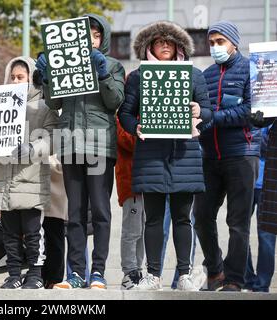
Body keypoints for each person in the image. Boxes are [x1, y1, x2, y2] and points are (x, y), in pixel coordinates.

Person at [117, 20, 212, 291]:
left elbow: (208, 113)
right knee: (154, 218)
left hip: (185, 155)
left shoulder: (194, 75)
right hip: (150, 156)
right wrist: (135, 127)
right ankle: (153, 275)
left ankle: (184, 274)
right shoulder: (137, 77)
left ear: (179, 45)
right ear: (149, 46)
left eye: (169, 42)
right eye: (159, 42)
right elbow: (125, 112)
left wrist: (198, 113)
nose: (165, 46)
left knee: (183, 217)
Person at [37, 13, 125, 289]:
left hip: (99, 145)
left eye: (96, 35)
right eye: (85, 34)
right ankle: (75, 273)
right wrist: (48, 77)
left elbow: (115, 101)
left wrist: (102, 74)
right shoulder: (66, 63)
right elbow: (53, 103)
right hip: (70, 145)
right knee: (73, 212)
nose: (90, 39)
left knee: (99, 210)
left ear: (104, 38)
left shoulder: (112, 65)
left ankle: (98, 272)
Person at [193, 21, 260, 291]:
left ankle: (234, 279)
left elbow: (249, 112)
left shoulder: (251, 70)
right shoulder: (205, 74)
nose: (215, 47)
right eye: (211, 43)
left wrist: (213, 118)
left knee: (238, 222)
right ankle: (216, 268)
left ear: (234, 42)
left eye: (220, 41)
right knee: (202, 216)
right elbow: (201, 114)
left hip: (242, 155)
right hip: (209, 157)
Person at [0, 56, 59, 289]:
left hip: (31, 180)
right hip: (5, 180)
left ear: (32, 77)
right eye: (13, 77)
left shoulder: (44, 106)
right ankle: (13, 274)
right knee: (9, 234)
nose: (16, 81)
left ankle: (35, 274)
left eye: (21, 77)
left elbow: (52, 138)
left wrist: (31, 148)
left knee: (33, 234)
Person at [244, 125, 276, 292]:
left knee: (267, 237)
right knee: (240, 232)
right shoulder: (250, 108)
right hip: (247, 178)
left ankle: (262, 284)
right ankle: (247, 278)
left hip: (268, 183)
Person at [115, 117, 145, 290]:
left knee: (143, 230)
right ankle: (129, 272)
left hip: (148, 183)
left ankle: (138, 270)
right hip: (130, 181)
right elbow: (126, 140)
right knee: (131, 230)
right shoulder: (121, 117)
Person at [42, 154, 68, 289]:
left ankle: (54, 278)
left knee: (55, 239)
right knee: (37, 240)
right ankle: (41, 276)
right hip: (34, 193)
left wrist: (39, 158)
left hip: (54, 194)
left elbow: (61, 162)